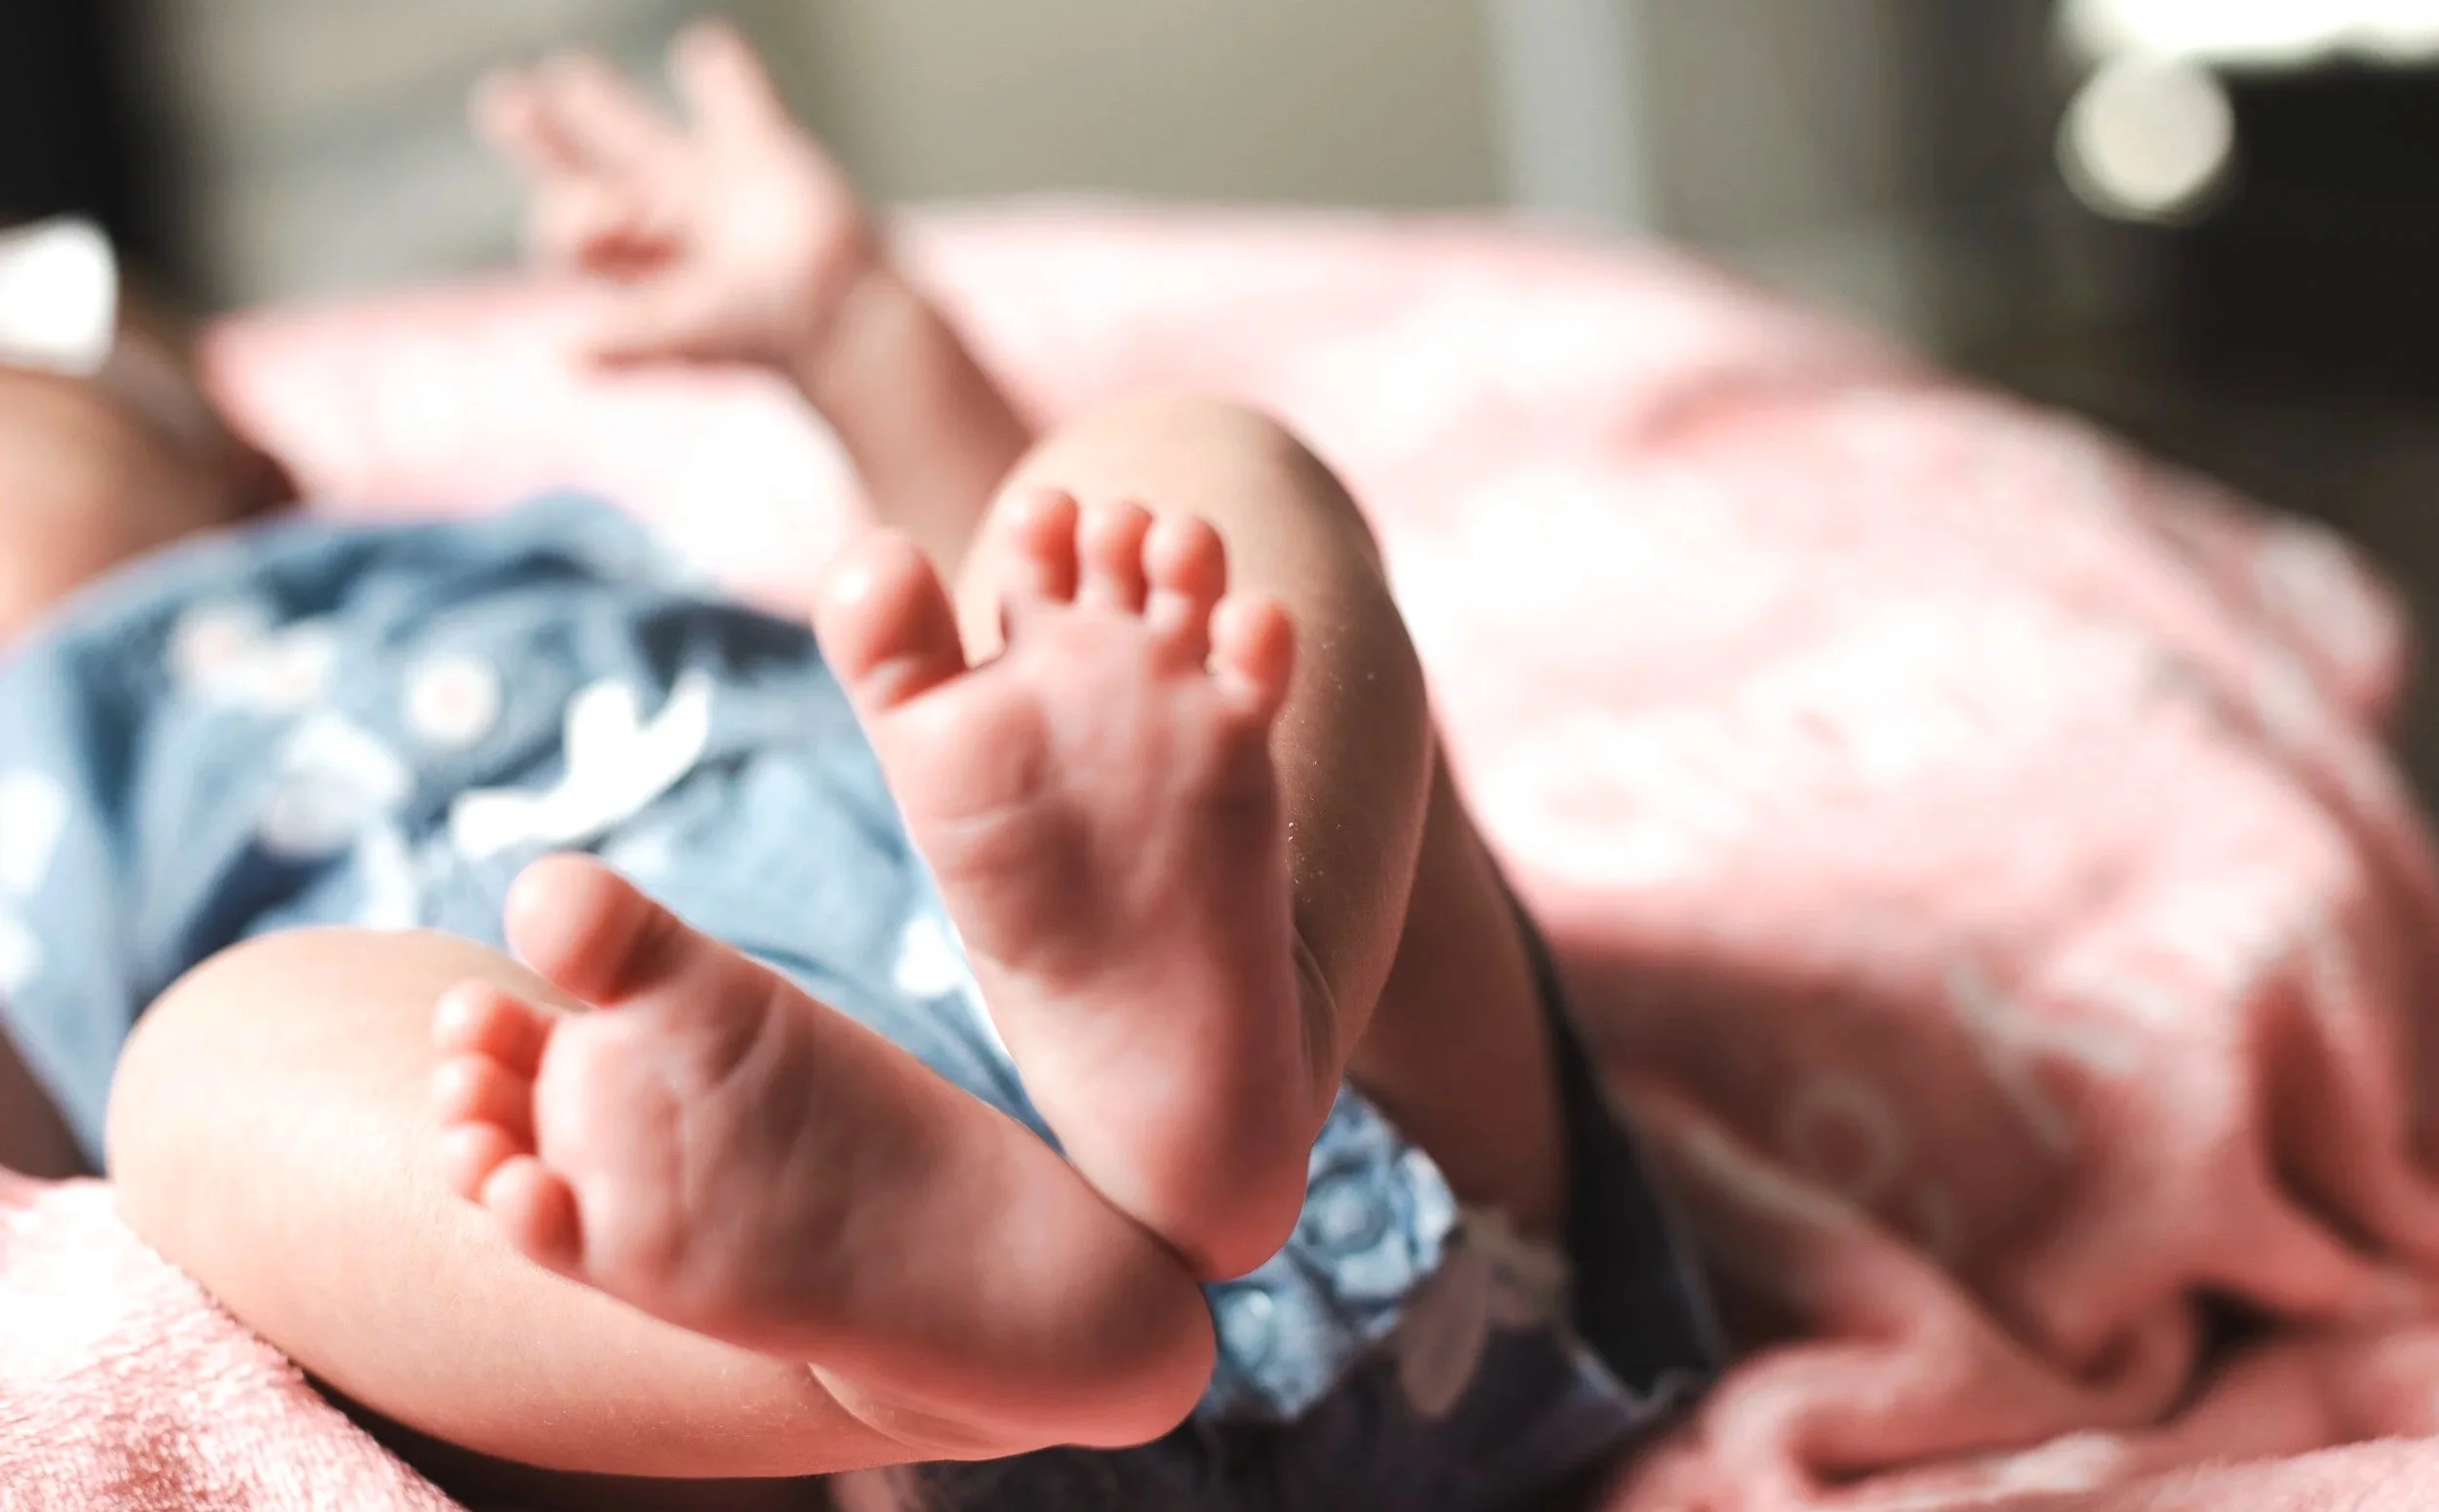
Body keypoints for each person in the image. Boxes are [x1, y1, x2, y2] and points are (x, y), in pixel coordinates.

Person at [0, 24, 1717, 1510]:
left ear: (223, 454)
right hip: (740, 1374)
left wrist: (854, 330)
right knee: (201, 1083)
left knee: (1174, 474)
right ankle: (930, 1333)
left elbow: (1026, 612)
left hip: (1356, 1154)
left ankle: (1243, 1021)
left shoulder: (489, 549)